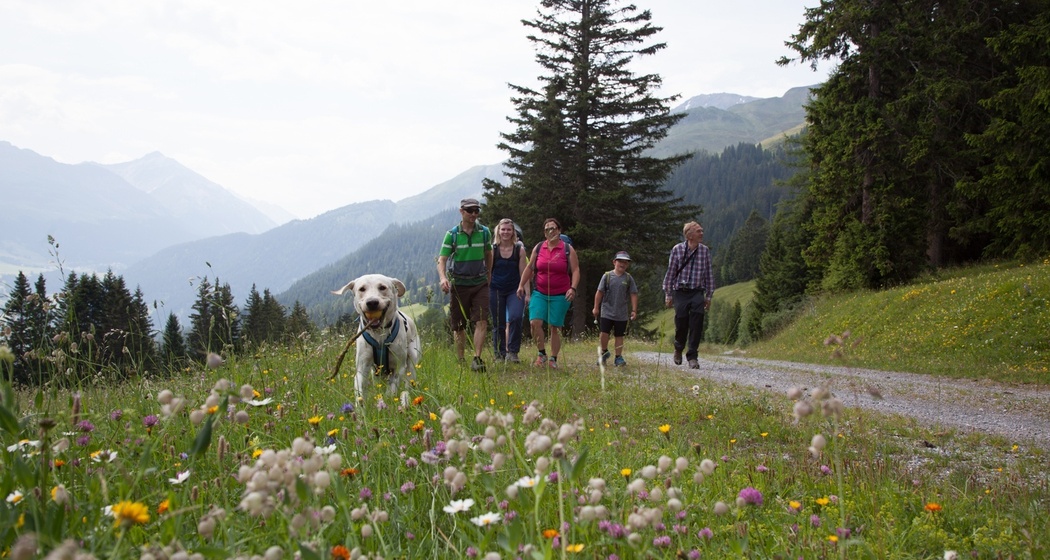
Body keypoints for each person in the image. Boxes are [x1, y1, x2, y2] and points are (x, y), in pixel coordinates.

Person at [437, 198, 493, 371]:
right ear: (461, 211)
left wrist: (489, 273)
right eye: (470, 211)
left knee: (481, 320)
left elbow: (489, 254)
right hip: (459, 285)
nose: (474, 214)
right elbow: (442, 259)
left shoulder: (484, 232)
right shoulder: (452, 234)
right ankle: (461, 359)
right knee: (459, 325)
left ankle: (477, 358)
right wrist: (443, 278)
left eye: (477, 210)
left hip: (480, 283)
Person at [516, 218, 580, 369]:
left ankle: (553, 359)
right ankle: (541, 354)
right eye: (547, 229)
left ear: (559, 230)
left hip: (560, 294)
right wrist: (520, 285)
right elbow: (530, 267)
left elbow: (576, 270)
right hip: (540, 292)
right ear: (544, 233)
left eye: (553, 228)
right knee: (534, 322)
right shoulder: (539, 248)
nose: (550, 231)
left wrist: (573, 288)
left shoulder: (567, 249)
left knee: (554, 327)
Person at [661, 221, 715, 369]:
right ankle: (678, 348)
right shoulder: (677, 250)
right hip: (680, 292)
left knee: (697, 324)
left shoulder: (704, 251)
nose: (702, 234)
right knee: (681, 322)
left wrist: (709, 296)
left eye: (702, 231)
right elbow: (671, 272)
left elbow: (709, 274)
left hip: (697, 291)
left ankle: (692, 356)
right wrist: (668, 294)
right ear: (690, 235)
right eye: (699, 231)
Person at [489, 218, 528, 363]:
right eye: (503, 229)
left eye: (508, 230)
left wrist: (527, 292)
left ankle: (513, 352)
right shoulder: (493, 250)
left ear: (513, 232)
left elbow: (524, 272)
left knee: (516, 317)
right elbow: (488, 272)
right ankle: (499, 354)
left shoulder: (519, 250)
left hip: (515, 290)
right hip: (496, 290)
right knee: (498, 322)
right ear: (498, 231)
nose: (505, 232)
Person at [592, 251, 639, 367]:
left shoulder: (628, 278)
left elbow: (633, 293)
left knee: (619, 335)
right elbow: (599, 292)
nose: (623, 264)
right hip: (606, 311)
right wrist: (596, 307)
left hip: (621, 313)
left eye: (625, 262)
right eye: (620, 262)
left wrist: (634, 310)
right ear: (614, 262)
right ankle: (603, 352)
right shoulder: (607, 276)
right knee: (604, 333)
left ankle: (618, 357)